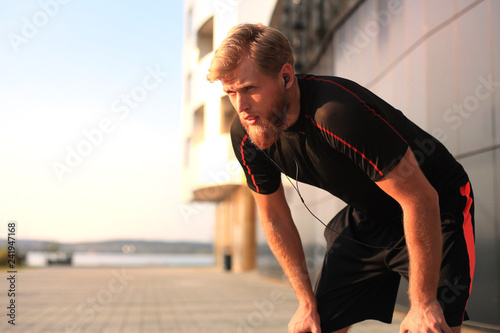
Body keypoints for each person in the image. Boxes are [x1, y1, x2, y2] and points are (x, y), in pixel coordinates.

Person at [207, 23, 475, 333]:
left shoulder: (335, 113)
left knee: (431, 327)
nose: (241, 106)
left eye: (250, 88)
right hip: (369, 215)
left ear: (285, 75)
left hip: (437, 207)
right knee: (315, 326)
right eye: (230, 93)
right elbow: (274, 217)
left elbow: (420, 199)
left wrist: (422, 302)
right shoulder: (246, 134)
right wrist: (305, 303)